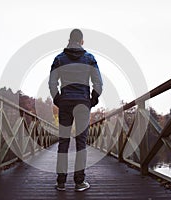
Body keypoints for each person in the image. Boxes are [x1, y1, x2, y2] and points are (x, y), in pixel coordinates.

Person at [49, 29, 103, 192]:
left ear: (69, 40)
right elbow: (98, 84)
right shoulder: (89, 59)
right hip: (83, 103)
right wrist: (91, 101)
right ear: (82, 41)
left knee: (63, 142)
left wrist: (58, 99)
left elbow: (52, 83)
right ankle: (79, 182)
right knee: (81, 143)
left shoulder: (59, 59)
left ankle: (61, 182)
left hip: (65, 102)